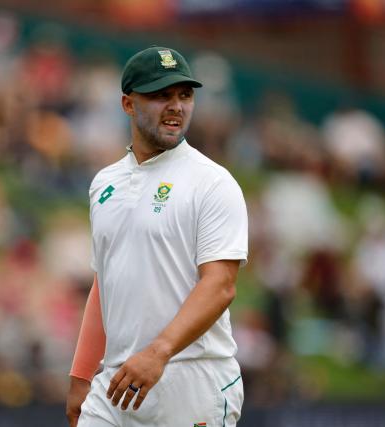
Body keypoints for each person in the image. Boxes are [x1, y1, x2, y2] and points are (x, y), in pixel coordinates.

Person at [65, 46, 248, 427]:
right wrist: (82, 376)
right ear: (128, 104)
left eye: (184, 95)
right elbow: (106, 283)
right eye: (161, 95)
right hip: (117, 383)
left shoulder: (212, 182)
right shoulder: (104, 183)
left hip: (193, 377)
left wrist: (158, 353)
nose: (176, 106)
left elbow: (220, 285)